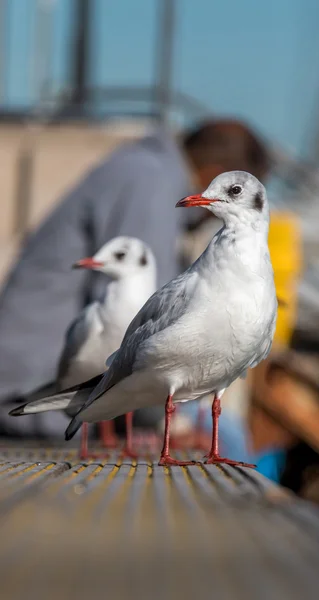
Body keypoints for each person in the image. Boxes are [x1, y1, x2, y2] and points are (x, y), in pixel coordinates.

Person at [0, 119, 270, 435]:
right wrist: (164, 425)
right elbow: (132, 308)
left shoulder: (142, 168)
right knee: (227, 436)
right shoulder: (151, 183)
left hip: (25, 371)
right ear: (215, 173)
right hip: (32, 386)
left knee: (224, 431)